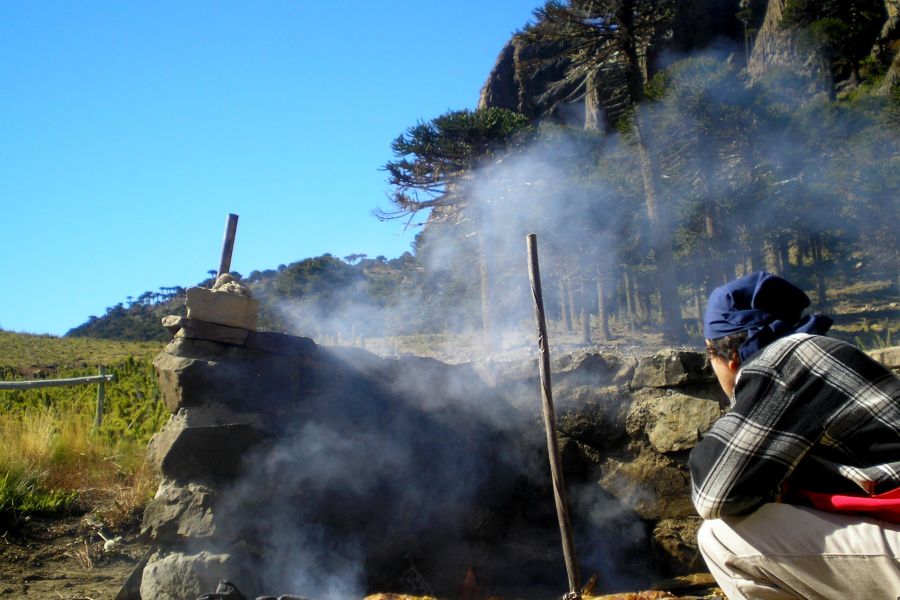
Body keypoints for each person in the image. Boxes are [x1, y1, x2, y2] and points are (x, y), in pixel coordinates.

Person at [688, 271, 900, 599]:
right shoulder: (820, 353)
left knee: (720, 538)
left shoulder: (784, 360)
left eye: (709, 357)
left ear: (729, 355)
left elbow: (712, 494)